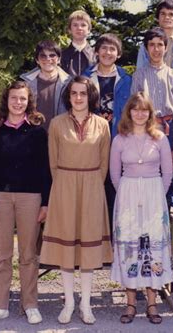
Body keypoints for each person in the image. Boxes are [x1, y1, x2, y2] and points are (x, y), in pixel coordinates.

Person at [40, 76, 113, 325]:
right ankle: (69, 302)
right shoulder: (57, 124)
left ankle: (86, 304)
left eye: (83, 93)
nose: (79, 98)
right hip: (64, 187)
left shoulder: (103, 125)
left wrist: (92, 184)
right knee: (67, 248)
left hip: (93, 186)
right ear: (68, 96)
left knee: (89, 250)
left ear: (90, 96)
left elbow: (104, 163)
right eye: (74, 93)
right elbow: (52, 162)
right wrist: (63, 186)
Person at [0, 81, 52, 325]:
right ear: (6, 101)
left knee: (29, 255)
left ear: (28, 101)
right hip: (0, 197)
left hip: (31, 198)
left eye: (22, 99)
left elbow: (45, 170)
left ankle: (29, 304)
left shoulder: (38, 132)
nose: (18, 103)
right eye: (13, 98)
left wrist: (45, 203)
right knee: (2, 255)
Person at [110, 92, 173, 325]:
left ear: (150, 113)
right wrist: (128, 192)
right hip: (127, 196)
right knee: (130, 248)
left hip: (154, 195)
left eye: (144, 109)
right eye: (135, 109)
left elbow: (167, 173)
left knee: (151, 248)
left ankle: (152, 304)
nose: (139, 113)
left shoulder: (160, 138)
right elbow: (114, 174)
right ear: (129, 112)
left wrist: (156, 194)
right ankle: (130, 304)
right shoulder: (119, 139)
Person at [83, 33, 132, 237]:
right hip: (91, 141)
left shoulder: (126, 80)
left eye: (112, 49)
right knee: (94, 190)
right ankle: (93, 238)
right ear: (96, 52)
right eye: (104, 48)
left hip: (118, 140)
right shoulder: (85, 78)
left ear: (118, 54)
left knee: (115, 190)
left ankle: (114, 241)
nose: (107, 52)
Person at [131, 27, 173, 150]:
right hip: (145, 127)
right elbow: (133, 108)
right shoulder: (139, 76)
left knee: (168, 168)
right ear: (146, 48)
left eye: (160, 45)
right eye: (152, 45)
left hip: (169, 129)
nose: (156, 49)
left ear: (166, 48)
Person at [20, 40, 71, 130]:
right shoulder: (25, 83)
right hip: (31, 136)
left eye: (52, 55)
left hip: (60, 135)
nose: (48, 59)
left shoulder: (69, 84)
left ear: (59, 59)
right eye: (43, 56)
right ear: (37, 60)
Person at [60, 10, 95, 76]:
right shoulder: (61, 56)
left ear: (89, 30)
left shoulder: (96, 55)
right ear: (69, 30)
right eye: (75, 25)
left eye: (83, 25)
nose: (79, 28)